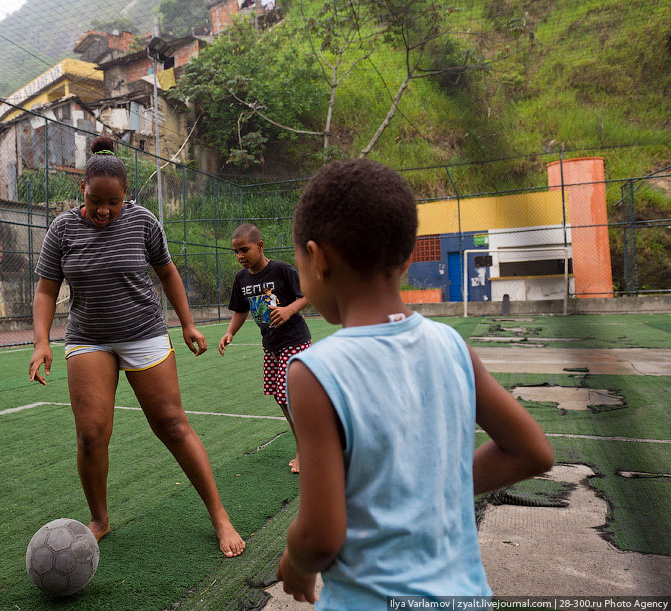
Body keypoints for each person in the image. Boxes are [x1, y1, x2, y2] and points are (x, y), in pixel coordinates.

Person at [276, 159, 554, 606]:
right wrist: (432, 490)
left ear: (318, 258)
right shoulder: (452, 345)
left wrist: (296, 563)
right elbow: (533, 451)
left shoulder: (313, 371)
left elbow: (321, 536)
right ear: (407, 260)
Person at [28, 136, 245, 558]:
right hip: (88, 338)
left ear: (126, 195)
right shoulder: (62, 229)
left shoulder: (144, 221)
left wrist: (188, 324)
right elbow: (46, 290)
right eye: (95, 201)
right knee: (91, 435)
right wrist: (41, 342)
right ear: (82, 190)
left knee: (172, 424)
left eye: (113, 202)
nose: (103, 210)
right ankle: (99, 519)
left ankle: (219, 515)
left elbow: (168, 273)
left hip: (144, 332)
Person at [218, 224, 312, 473]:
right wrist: (230, 332)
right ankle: (305, 444)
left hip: (295, 341)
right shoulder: (242, 278)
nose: (240, 256)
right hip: (271, 345)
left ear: (260, 246)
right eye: (236, 252)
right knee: (280, 398)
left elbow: (308, 294)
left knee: (287, 396)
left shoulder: (281, 270)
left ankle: (306, 450)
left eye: (244, 250)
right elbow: (241, 310)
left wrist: (289, 309)